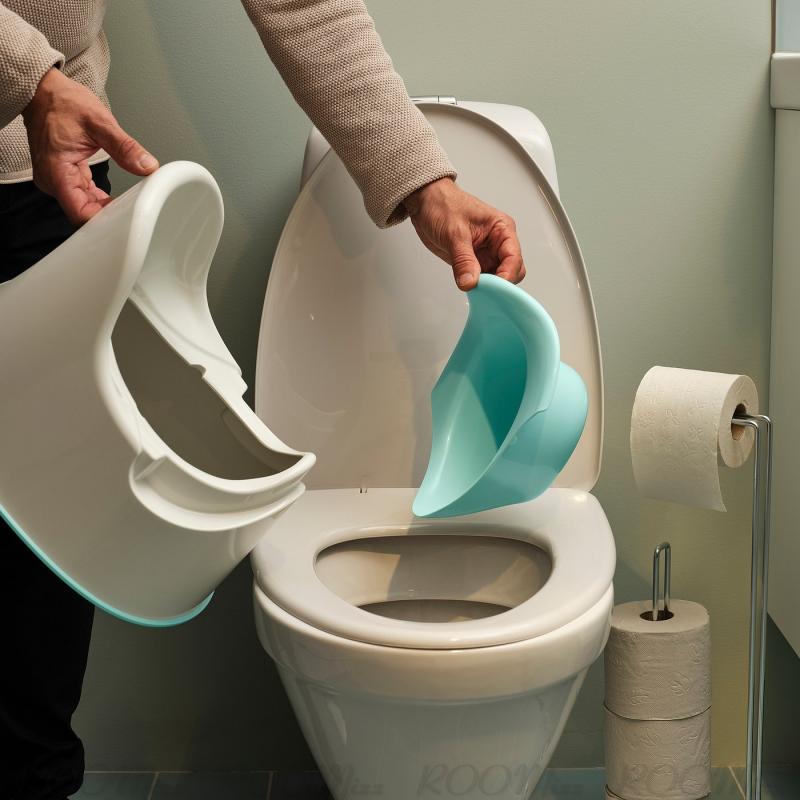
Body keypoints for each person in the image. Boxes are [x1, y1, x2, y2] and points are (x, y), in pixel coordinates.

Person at [0, 2, 526, 798]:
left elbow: (302, 5)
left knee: (38, 568)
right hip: (38, 110)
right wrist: (27, 77)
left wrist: (425, 183)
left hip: (49, 166)